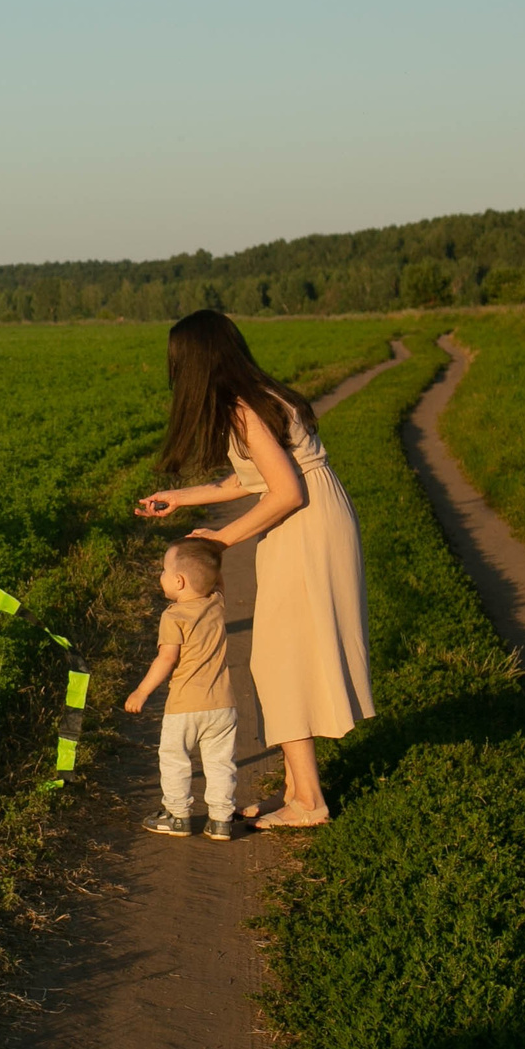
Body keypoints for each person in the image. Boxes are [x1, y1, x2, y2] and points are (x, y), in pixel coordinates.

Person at [135, 309, 371, 828]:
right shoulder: (259, 396)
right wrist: (182, 498)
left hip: (306, 524)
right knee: (286, 654)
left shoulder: (242, 409)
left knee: (280, 658)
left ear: (196, 362)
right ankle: (294, 791)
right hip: (317, 517)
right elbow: (253, 479)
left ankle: (309, 802)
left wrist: (223, 537)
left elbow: (285, 491)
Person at [122, 538, 239, 840]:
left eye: (163, 570)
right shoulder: (216, 603)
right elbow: (217, 580)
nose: (160, 575)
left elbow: (166, 658)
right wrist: (214, 552)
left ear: (178, 580)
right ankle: (221, 819)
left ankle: (177, 814)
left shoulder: (173, 617)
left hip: (185, 707)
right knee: (220, 762)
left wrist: (142, 691)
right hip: (223, 707)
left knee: (175, 758)